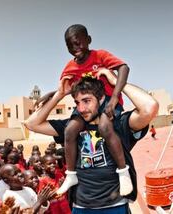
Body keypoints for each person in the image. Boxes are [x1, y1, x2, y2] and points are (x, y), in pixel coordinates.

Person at [24, 76, 158, 213]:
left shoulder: (119, 124)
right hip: (81, 206)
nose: (81, 109)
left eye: (87, 101)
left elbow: (149, 108)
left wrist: (117, 82)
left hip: (115, 205)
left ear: (100, 99)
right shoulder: (71, 127)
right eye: (77, 103)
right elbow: (31, 124)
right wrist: (60, 94)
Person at [36, 24, 131, 195]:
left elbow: (124, 68)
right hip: (85, 103)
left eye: (78, 43)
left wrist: (116, 95)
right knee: (70, 130)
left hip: (107, 99)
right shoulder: (70, 66)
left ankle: (123, 172)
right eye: (70, 46)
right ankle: (71, 175)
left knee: (104, 127)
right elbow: (66, 88)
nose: (75, 48)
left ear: (88, 40)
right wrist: (49, 95)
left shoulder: (99, 55)